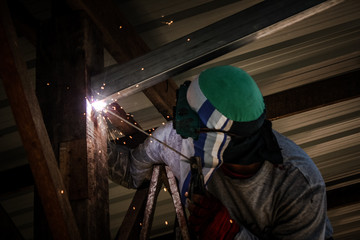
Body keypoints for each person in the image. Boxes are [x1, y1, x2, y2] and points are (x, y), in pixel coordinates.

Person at [107, 65, 333, 239]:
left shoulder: (299, 185)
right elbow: (130, 170)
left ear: (218, 139)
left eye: (191, 123)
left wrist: (230, 233)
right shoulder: (178, 138)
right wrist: (95, 139)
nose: (181, 130)